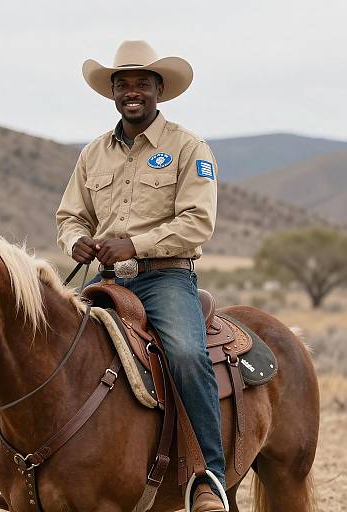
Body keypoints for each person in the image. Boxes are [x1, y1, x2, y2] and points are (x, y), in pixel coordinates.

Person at [56, 40, 226, 512]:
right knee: (47, 347)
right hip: (105, 279)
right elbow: (70, 215)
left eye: (141, 84)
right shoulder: (93, 153)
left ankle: (207, 477)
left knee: (189, 355)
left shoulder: (188, 148)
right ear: (113, 92)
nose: (132, 92)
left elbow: (198, 221)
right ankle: (27, 467)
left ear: (159, 91)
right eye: (123, 84)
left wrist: (135, 244)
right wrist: (77, 243)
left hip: (164, 279)